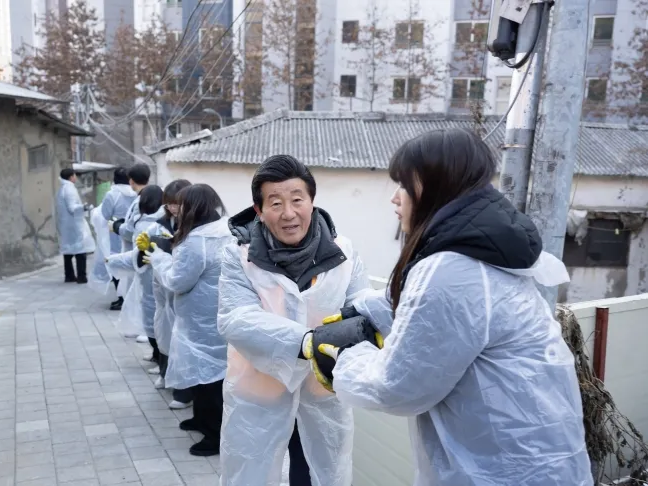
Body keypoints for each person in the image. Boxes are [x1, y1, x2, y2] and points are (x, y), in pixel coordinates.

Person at [313, 128, 593, 485]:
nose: (395, 200)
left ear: (434, 187)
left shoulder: (453, 269)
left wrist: (344, 359)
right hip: (532, 460)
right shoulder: (475, 247)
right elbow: (423, 306)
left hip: (506, 471)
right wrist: (365, 311)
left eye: (403, 185)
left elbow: (398, 387)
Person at [216, 155, 371, 485]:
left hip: (322, 396)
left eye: (297, 200)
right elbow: (235, 318)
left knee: (319, 474)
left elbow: (362, 309)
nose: (288, 213)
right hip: (259, 397)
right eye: (275, 203)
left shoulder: (344, 253)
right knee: (255, 474)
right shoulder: (239, 256)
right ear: (259, 210)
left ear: (312, 202)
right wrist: (306, 343)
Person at [141, 184, 232, 457]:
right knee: (207, 374)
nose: (175, 211)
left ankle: (214, 435)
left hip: (201, 321)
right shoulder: (223, 230)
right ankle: (202, 420)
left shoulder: (196, 241)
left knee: (208, 379)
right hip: (214, 315)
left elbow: (177, 281)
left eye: (180, 206)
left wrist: (159, 259)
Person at [145, 179, 195, 408]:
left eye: (177, 203)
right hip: (164, 285)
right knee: (165, 330)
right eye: (169, 204)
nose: (173, 208)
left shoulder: (195, 224)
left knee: (181, 339)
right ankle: (166, 373)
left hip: (182, 286)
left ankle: (184, 391)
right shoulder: (162, 222)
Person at [107, 185, 166, 373]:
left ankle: (161, 359)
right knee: (150, 316)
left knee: (156, 319)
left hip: (153, 276)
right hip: (145, 274)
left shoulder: (157, 225)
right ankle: (158, 355)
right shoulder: (152, 222)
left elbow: (137, 249)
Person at [110, 163, 151, 342]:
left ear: (131, 181)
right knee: (139, 293)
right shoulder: (148, 197)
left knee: (143, 294)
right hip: (144, 252)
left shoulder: (141, 200)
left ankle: (145, 330)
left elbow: (132, 229)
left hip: (139, 251)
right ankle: (142, 328)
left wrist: (116, 226)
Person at [101, 167, 137, 310]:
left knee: (117, 263)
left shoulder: (112, 194)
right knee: (131, 263)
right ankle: (130, 297)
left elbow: (105, 214)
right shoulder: (136, 192)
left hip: (116, 232)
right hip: (133, 232)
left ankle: (121, 298)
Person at [55, 168, 95, 284]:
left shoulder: (62, 189)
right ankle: (81, 277)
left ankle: (69, 275)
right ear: (71, 177)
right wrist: (84, 207)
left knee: (68, 250)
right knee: (80, 250)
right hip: (74, 224)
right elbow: (72, 207)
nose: (76, 177)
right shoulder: (69, 189)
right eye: (74, 175)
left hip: (66, 224)